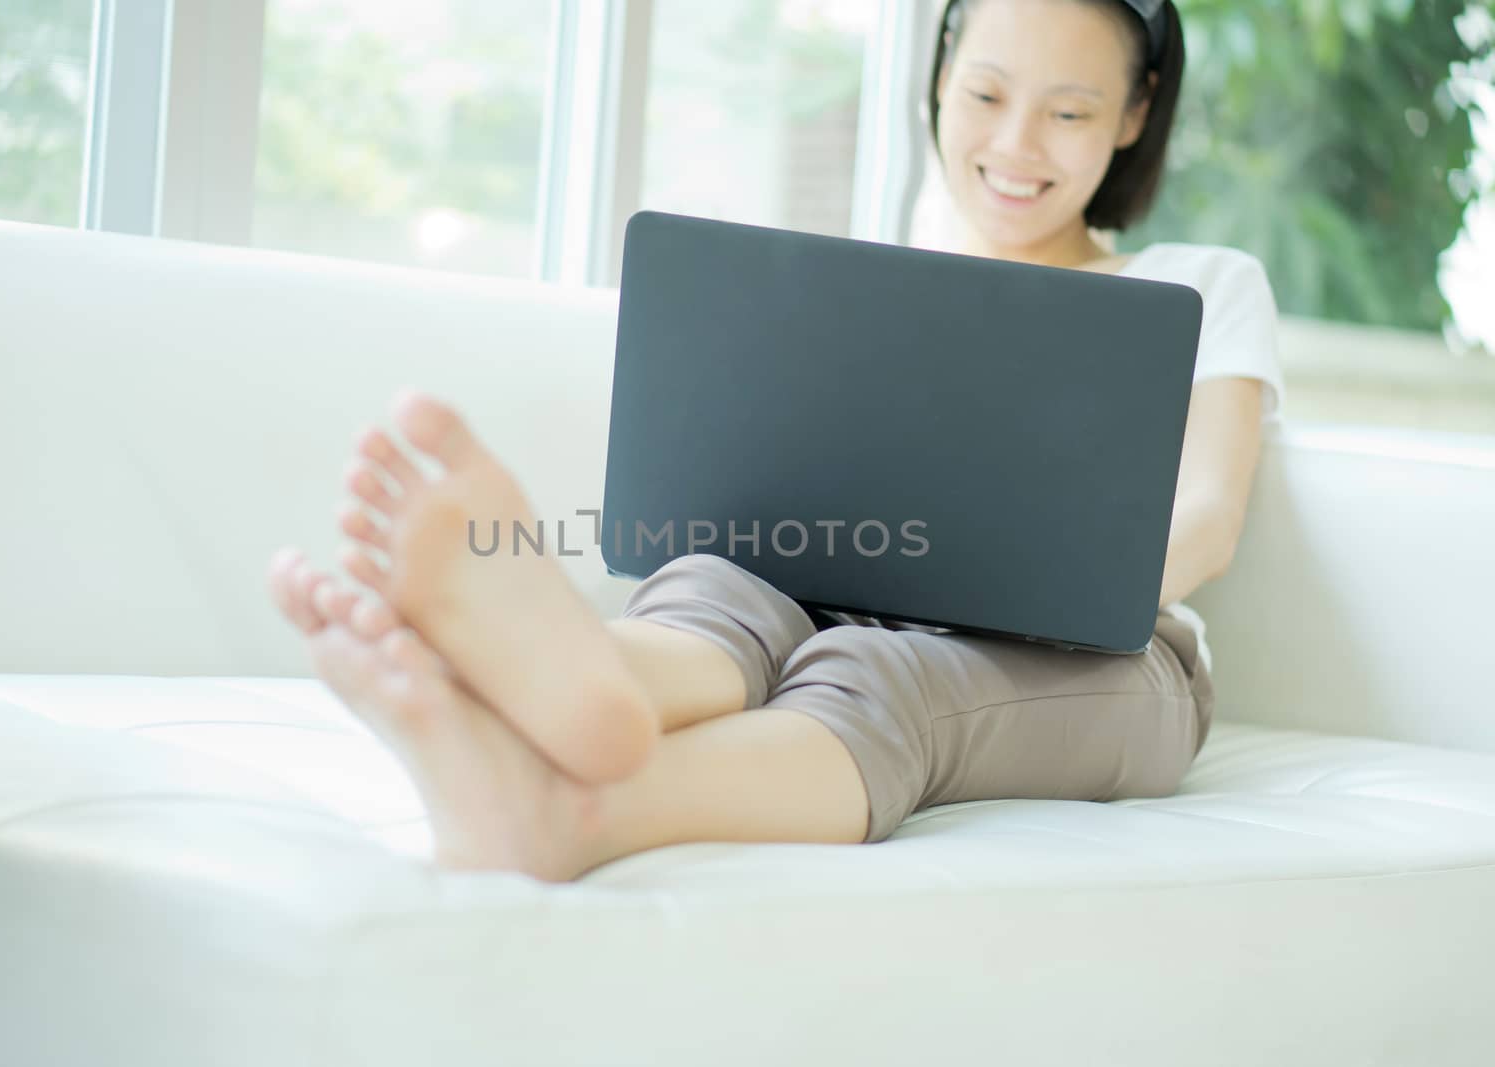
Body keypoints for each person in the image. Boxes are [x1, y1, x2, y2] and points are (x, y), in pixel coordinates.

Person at [267, 0, 1286, 884]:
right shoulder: (871, 280)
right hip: (851, 584)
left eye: (1067, 112)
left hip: (1112, 653)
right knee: (727, 580)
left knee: (880, 668)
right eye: (984, 95)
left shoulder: (1198, 281)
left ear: (1135, 113)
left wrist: (1055, 586)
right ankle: (588, 673)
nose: (1017, 143)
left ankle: (577, 811)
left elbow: (1207, 515)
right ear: (936, 81)